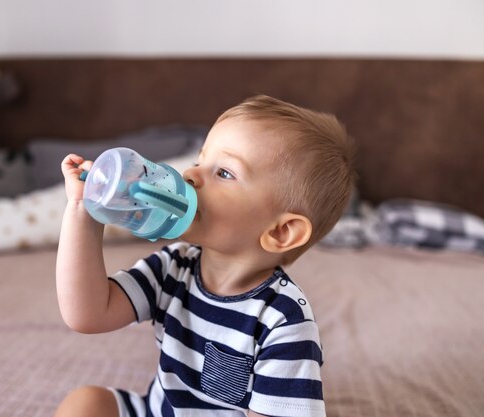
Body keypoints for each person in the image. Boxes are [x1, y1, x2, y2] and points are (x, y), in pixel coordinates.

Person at [55, 95, 356, 417]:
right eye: (200, 161)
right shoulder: (173, 266)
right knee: (86, 402)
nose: (189, 175)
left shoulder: (282, 321)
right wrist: (81, 213)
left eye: (224, 173)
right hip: (157, 411)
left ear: (280, 232)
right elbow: (87, 314)